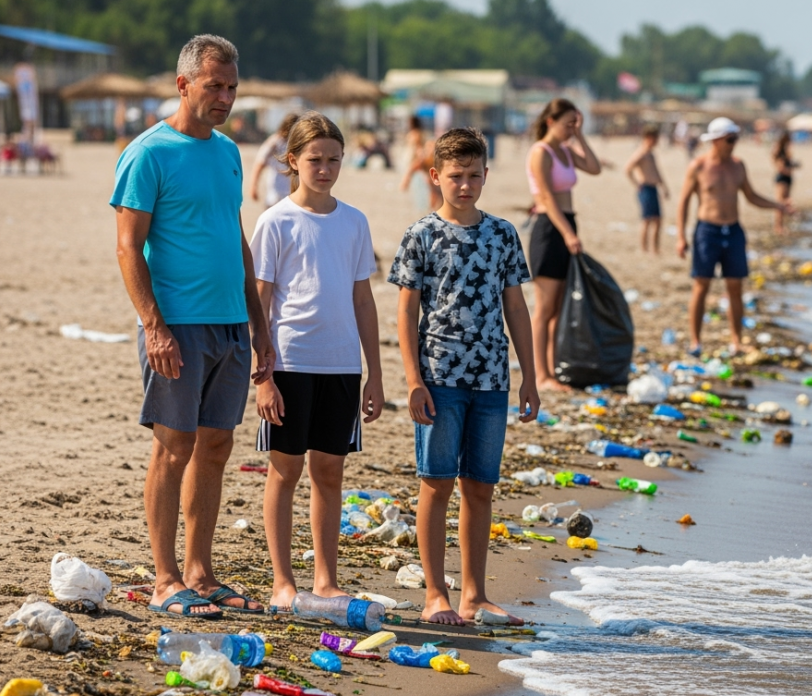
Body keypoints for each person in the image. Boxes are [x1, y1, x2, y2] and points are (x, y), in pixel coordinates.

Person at [112, 34, 274, 618]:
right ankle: (164, 578)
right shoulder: (148, 153)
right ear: (183, 84)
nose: (225, 96)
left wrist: (259, 324)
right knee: (173, 446)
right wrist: (153, 326)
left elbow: (236, 241)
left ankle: (201, 572)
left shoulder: (229, 151)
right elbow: (129, 248)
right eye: (214, 85)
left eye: (232, 86)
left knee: (217, 446)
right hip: (176, 325)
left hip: (231, 322)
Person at [388, 127, 541, 625]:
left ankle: (474, 595)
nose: (465, 185)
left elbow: (516, 307)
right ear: (436, 176)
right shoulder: (421, 234)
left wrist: (530, 376)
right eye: (455, 176)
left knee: (481, 486)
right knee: (436, 483)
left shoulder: (502, 234)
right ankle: (436, 594)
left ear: (486, 175)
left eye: (474, 175)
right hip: (438, 378)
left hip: (492, 380)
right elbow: (405, 311)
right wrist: (412, 379)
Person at [249, 112, 384, 612]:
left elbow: (363, 302)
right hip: (289, 364)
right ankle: (283, 581)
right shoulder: (275, 220)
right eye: (314, 160)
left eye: (333, 160)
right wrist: (263, 376)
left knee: (330, 471)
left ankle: (326, 580)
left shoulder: (354, 221)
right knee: (284, 471)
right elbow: (260, 302)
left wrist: (374, 372)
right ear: (293, 161)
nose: (324, 169)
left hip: (343, 366)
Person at [675, 118, 794, 357]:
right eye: (730, 140)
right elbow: (684, 201)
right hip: (707, 231)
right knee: (701, 285)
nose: (733, 144)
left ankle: (736, 341)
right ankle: (696, 341)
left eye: (735, 139)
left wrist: (777, 206)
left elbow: (751, 196)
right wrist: (681, 236)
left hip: (734, 230)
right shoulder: (698, 166)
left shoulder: (738, 166)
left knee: (735, 287)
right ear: (716, 140)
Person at [525, 98, 601, 392]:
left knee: (558, 307)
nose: (571, 129)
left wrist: (580, 135)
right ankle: (540, 375)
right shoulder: (540, 152)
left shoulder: (566, 151)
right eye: (568, 124)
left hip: (567, 222)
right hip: (549, 228)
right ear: (550, 121)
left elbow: (594, 168)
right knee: (544, 308)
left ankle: (551, 368)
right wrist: (568, 233)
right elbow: (544, 198)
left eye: (575, 124)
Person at [624, 124, 670, 253]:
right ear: (649, 137)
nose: (657, 141)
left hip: (653, 188)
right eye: (656, 138)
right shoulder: (642, 153)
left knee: (658, 220)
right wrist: (636, 183)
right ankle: (644, 248)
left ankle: (655, 248)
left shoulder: (650, 153)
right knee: (647, 220)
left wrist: (664, 187)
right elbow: (628, 168)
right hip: (645, 189)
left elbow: (656, 172)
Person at [249, 113, 298, 208]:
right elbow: (260, 163)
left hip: (294, 194)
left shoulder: (298, 143)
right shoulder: (274, 142)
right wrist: (253, 186)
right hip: (276, 194)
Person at [399, 116, 440, 212]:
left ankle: (431, 207)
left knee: (428, 184)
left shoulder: (415, 134)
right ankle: (431, 207)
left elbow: (418, 147)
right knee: (428, 184)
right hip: (415, 159)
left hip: (415, 158)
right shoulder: (419, 133)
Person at [770, 129, 799, 232]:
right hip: (782, 178)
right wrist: (789, 169)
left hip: (786, 178)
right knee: (781, 203)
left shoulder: (785, 150)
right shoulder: (780, 150)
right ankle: (778, 226)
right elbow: (780, 167)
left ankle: (781, 225)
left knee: (785, 202)